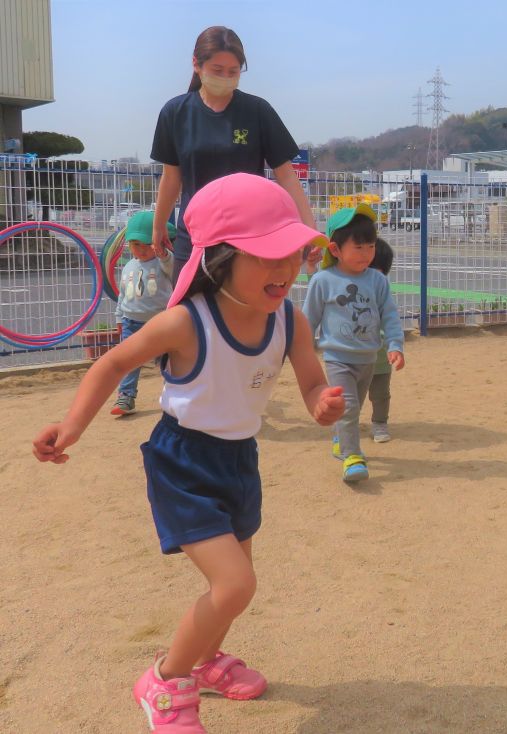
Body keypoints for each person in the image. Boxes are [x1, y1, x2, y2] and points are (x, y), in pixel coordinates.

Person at [32, 173, 345, 733]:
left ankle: (203, 664)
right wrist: (73, 425)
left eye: (292, 254)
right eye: (266, 256)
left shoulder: (290, 321)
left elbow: (309, 383)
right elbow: (112, 363)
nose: (285, 269)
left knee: (234, 585)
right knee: (235, 585)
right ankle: (164, 682)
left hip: (238, 461)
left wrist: (321, 401)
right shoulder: (185, 321)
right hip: (183, 463)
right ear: (221, 259)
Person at [150, 25, 320, 283]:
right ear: (196, 64)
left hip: (249, 239)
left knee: (246, 317)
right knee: (190, 316)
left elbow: (285, 174)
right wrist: (159, 224)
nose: (225, 77)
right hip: (195, 238)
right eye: (217, 71)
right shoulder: (175, 113)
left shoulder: (257, 111)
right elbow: (172, 177)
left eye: (233, 71)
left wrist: (308, 228)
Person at [303, 206, 404, 483]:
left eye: (370, 246)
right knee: (347, 406)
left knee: (353, 408)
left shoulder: (378, 280)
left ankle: (340, 438)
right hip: (337, 357)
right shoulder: (324, 280)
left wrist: (395, 344)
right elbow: (308, 318)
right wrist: (301, 350)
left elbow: (389, 315)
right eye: (358, 247)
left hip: (368, 358)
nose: (367, 254)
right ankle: (352, 457)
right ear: (335, 249)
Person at [110, 211, 176, 416]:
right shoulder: (129, 266)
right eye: (135, 244)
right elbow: (123, 295)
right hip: (132, 321)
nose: (141, 249)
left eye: (147, 244)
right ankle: (126, 397)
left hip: (160, 323)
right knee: (130, 360)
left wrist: (164, 253)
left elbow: (172, 266)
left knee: (169, 362)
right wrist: (119, 316)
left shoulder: (162, 263)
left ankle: (176, 395)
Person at [368, 238, 396, 443]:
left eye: (381, 273)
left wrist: (395, 345)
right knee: (349, 396)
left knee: (381, 393)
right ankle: (345, 426)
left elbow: (391, 319)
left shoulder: (384, 290)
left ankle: (379, 423)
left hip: (380, 354)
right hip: (352, 355)